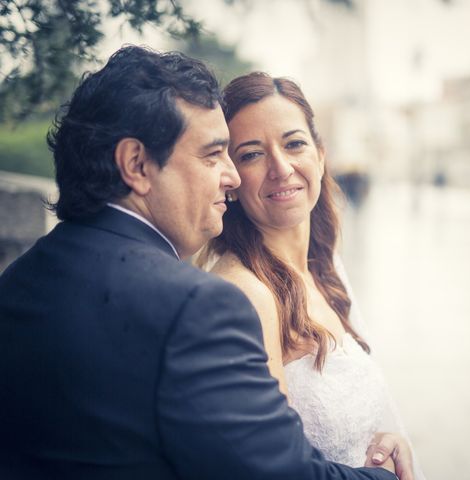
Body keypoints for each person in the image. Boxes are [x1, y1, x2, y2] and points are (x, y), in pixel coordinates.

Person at [0, 45, 405, 480]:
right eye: (214, 155)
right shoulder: (200, 305)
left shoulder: (19, 279)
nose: (229, 177)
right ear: (137, 164)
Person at [196, 72, 423, 480]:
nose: (281, 168)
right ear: (230, 178)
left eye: (294, 144)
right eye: (251, 154)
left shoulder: (324, 265)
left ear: (320, 155)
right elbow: (267, 468)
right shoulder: (243, 293)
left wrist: (387, 443)